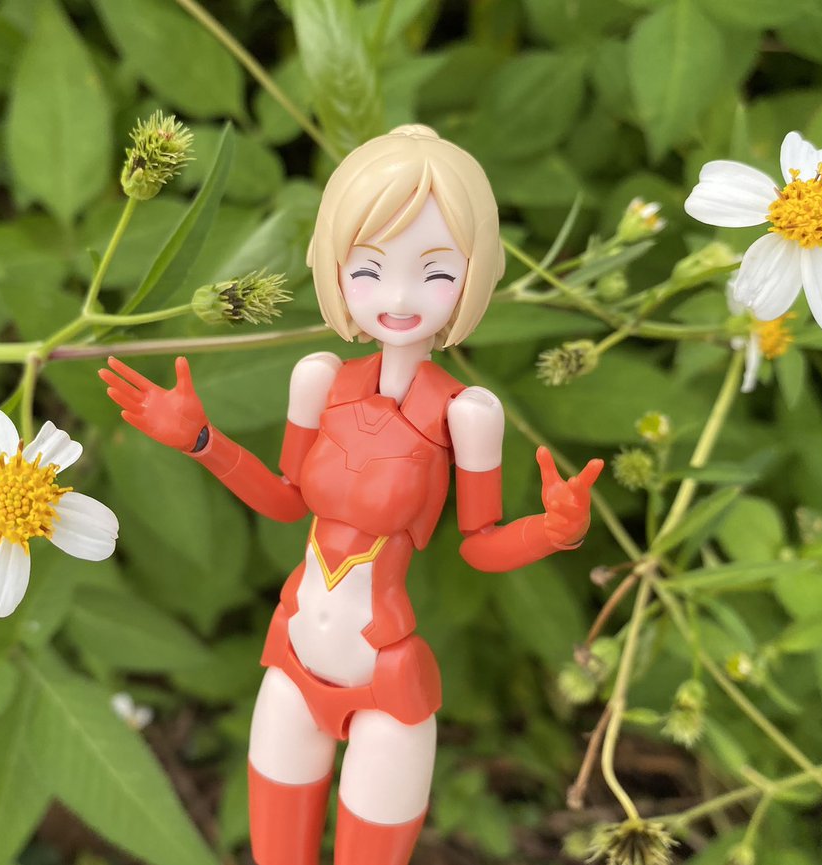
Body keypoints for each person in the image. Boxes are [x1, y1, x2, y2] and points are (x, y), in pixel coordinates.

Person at [100, 124, 604, 865]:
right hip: (293, 655)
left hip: (386, 680)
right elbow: (285, 499)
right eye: (369, 269)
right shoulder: (320, 380)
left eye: (435, 273)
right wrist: (203, 440)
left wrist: (554, 532)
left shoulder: (467, 414)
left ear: (475, 276)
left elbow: (479, 544)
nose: (398, 297)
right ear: (334, 268)